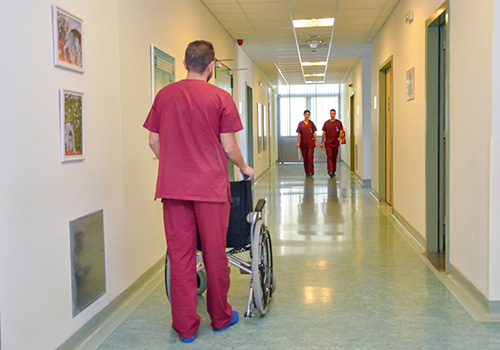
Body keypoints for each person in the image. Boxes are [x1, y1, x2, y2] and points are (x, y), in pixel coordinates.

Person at [143, 40, 254, 343]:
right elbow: (229, 147)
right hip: (210, 189)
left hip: (174, 188)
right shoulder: (220, 97)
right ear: (211, 66)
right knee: (216, 254)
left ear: (184, 63)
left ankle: (185, 327)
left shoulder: (164, 95)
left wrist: (175, 161)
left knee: (181, 257)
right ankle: (219, 318)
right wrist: (245, 168)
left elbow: (153, 142)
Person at [320, 109, 344, 177]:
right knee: (329, 157)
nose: (332, 115)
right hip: (328, 143)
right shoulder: (326, 123)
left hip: (335, 143)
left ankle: (333, 171)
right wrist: (322, 142)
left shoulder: (339, 123)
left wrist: (339, 137)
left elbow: (341, 131)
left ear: (335, 114)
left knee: (334, 157)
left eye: (333, 113)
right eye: (331, 113)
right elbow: (324, 133)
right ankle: (330, 171)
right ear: (330, 114)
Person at [296, 109, 317, 177]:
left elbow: (314, 133)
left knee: (310, 157)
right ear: (304, 115)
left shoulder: (311, 123)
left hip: (310, 143)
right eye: (306, 114)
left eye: (308, 114)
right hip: (303, 143)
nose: (307, 116)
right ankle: (307, 172)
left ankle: (311, 171)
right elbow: (299, 134)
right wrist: (298, 142)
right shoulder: (301, 124)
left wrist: (316, 142)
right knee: (305, 158)